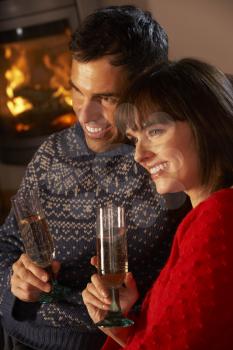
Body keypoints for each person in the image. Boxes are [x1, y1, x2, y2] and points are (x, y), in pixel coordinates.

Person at [0, 6, 190, 350]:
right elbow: (7, 245)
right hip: (23, 335)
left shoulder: (172, 162)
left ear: (148, 83)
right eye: (77, 91)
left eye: (105, 98)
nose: (85, 115)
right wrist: (13, 281)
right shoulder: (51, 154)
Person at [82, 58, 233, 349]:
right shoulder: (204, 216)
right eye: (135, 138)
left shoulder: (219, 218)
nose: (139, 155)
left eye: (154, 131)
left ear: (205, 122)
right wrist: (118, 320)